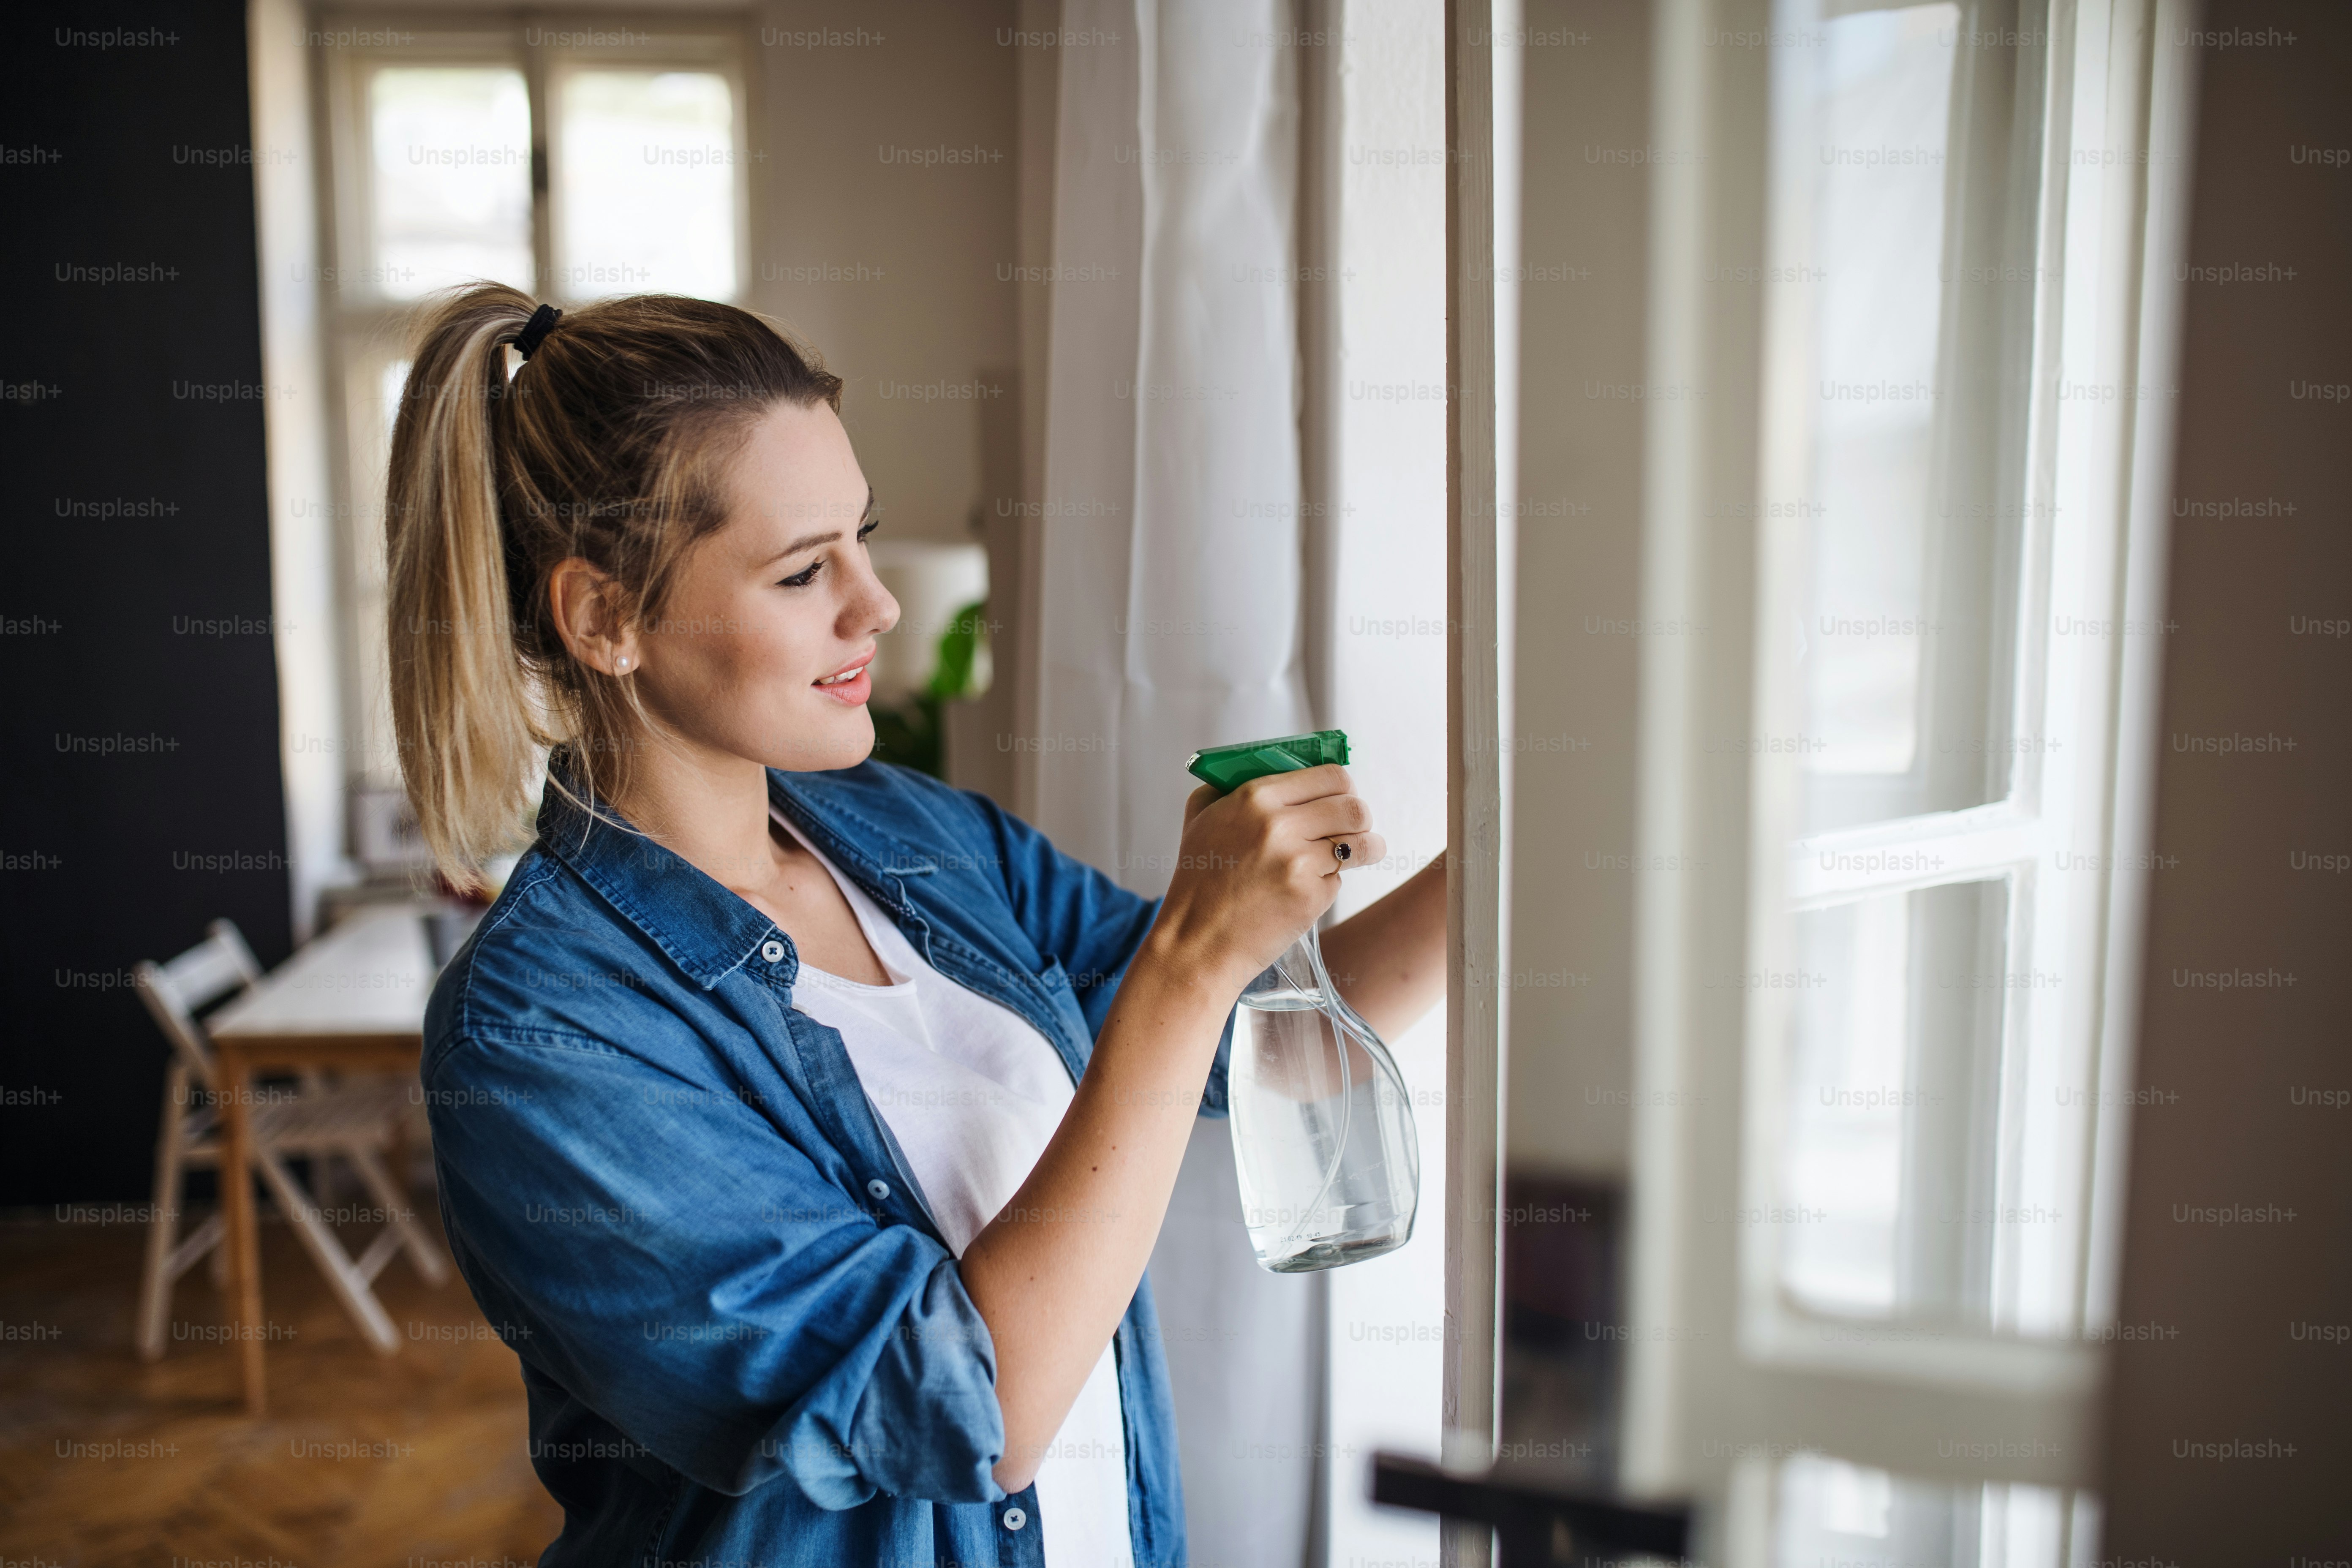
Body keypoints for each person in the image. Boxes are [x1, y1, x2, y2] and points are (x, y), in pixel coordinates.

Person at [390, 286, 1447, 1568]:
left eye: (861, 541)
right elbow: (958, 1407)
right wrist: (1190, 961)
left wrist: (1517, 855)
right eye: (802, 571)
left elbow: (1250, 1040)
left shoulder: (909, 836)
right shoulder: (543, 1036)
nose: (878, 607)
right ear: (604, 619)